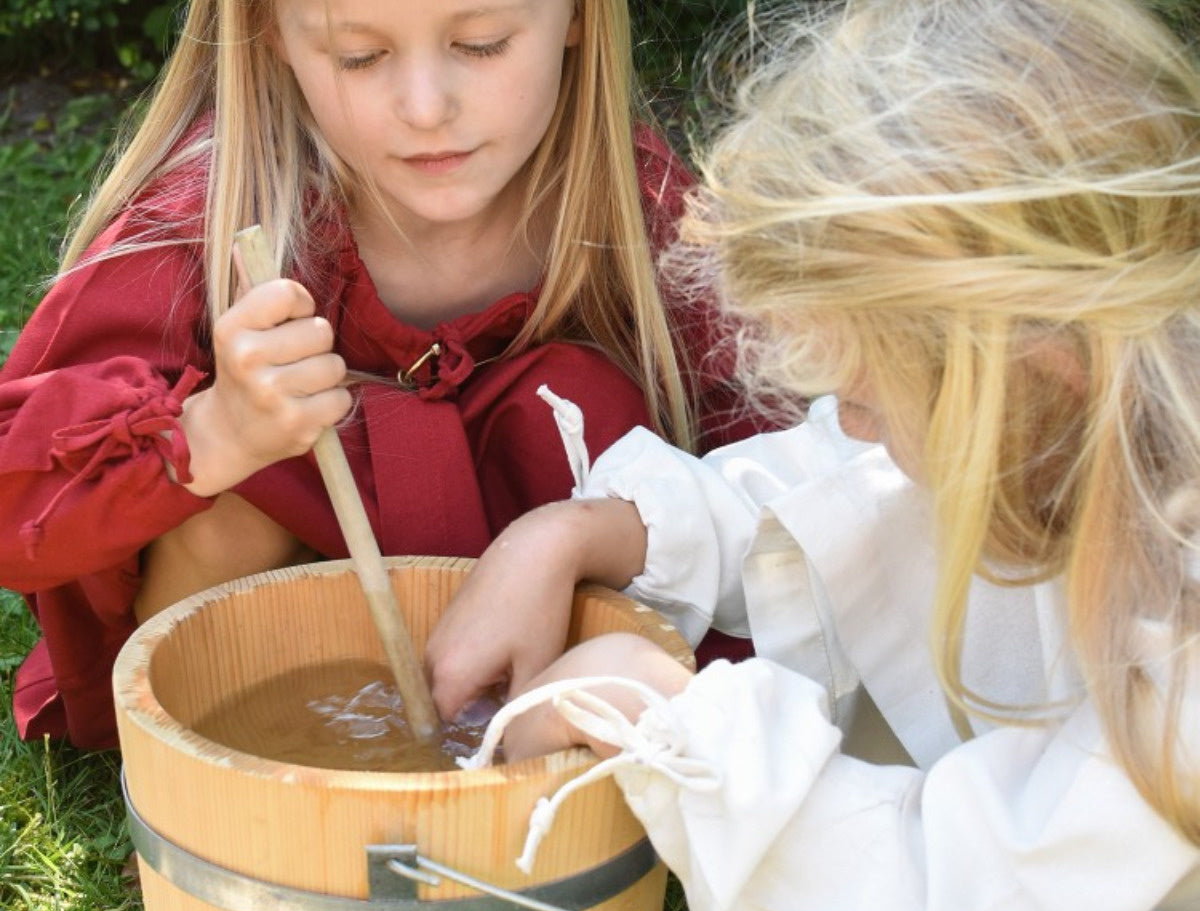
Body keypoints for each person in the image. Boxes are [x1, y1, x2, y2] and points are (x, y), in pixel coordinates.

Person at [425, 0, 1200, 911]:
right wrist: (576, 533)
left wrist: (661, 713)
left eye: (873, 395)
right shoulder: (1092, 399)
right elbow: (844, 488)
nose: (850, 421)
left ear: (1035, 372)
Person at [0, 0, 753, 750]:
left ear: (581, 15)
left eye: (482, 44)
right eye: (359, 56)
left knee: (593, 407)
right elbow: (17, 496)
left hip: (546, 651)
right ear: (270, 33)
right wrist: (215, 433)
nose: (426, 109)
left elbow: (781, 486)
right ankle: (226, 761)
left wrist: (579, 536)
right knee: (235, 497)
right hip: (266, 680)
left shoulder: (638, 210)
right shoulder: (211, 214)